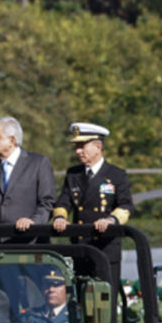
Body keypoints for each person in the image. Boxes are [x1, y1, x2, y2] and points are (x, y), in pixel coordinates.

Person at [52, 122, 134, 286]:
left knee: (105, 302)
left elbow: (126, 206)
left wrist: (110, 221)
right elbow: (63, 201)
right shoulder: (73, 174)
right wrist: (60, 217)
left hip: (105, 249)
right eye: (76, 146)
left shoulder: (116, 175)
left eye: (82, 146)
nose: (77, 151)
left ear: (98, 147)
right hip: (80, 248)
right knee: (81, 301)